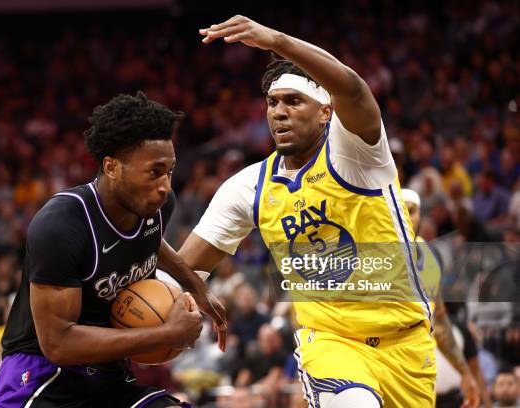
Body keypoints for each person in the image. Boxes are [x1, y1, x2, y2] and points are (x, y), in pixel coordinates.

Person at [180, 15, 436, 407]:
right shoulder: (247, 187)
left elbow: (351, 87)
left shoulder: (357, 151)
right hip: (331, 343)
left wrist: (276, 41)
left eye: (293, 101)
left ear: (325, 112)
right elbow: (184, 269)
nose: (279, 112)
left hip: (407, 342)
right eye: (272, 103)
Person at [0, 92, 226, 407]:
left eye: (169, 171)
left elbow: (148, 237)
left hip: (110, 372)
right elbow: (57, 343)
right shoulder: (61, 224)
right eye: (154, 172)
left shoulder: (155, 206)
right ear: (112, 167)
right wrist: (167, 334)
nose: (166, 186)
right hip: (43, 377)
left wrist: (196, 284)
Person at [402, 188, 482, 408]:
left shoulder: (428, 256)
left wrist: (464, 371)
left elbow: (440, 321)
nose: (407, 216)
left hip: (421, 377)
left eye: (412, 210)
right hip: (383, 370)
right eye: (401, 210)